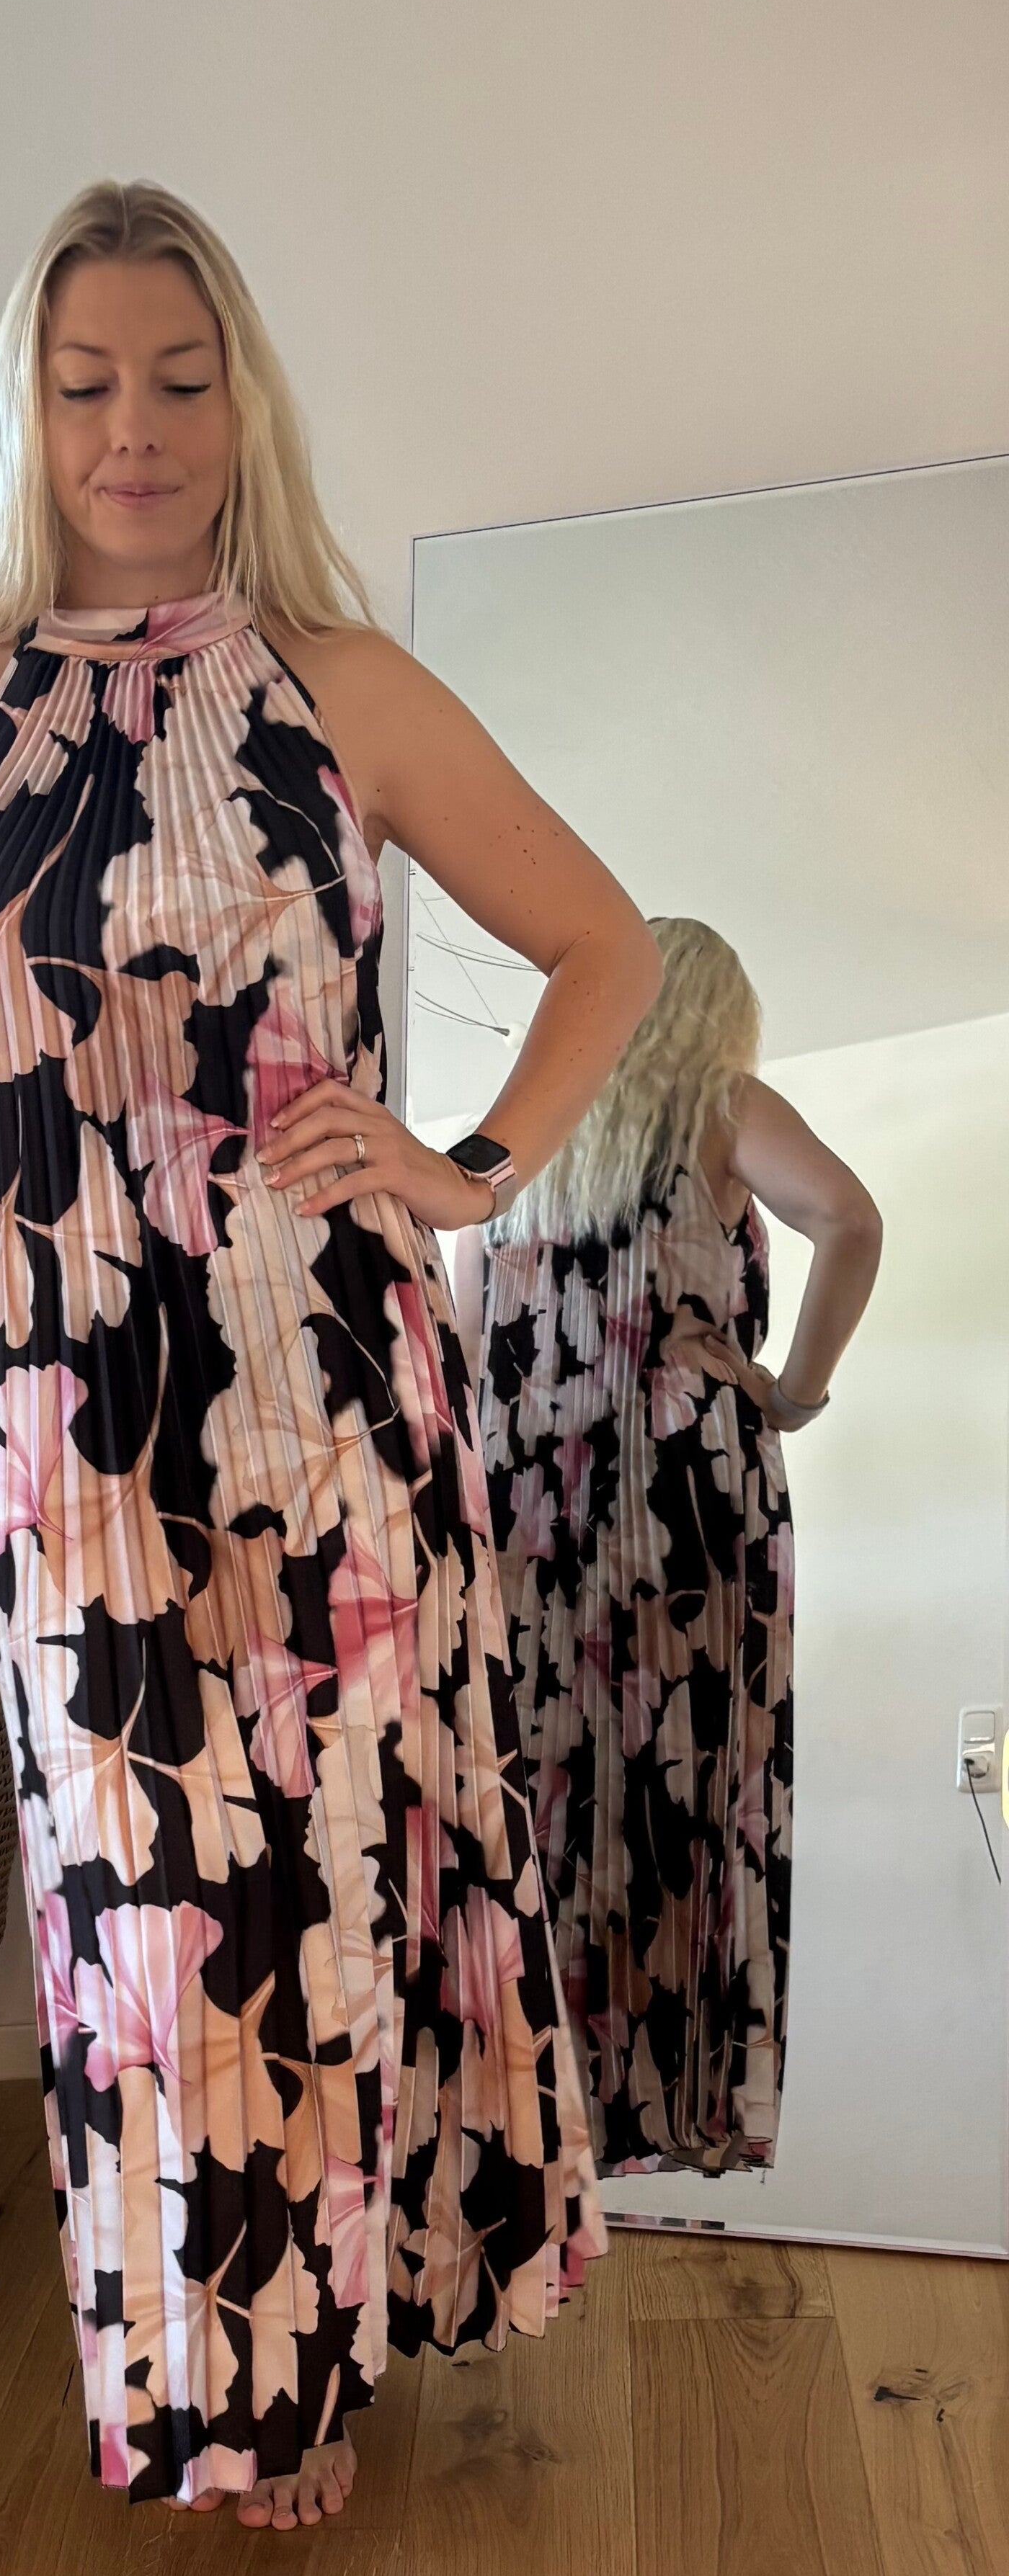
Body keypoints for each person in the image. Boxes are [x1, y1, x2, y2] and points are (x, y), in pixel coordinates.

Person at [0, 178, 659, 2524]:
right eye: (88, 383)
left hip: (332, 1399)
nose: (137, 428)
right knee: (149, 1907)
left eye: (182, 381)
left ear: (243, 404)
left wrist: (464, 1163)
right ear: (27, 413)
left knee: (326, 1873)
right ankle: (225, 2369)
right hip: (69, 1424)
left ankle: (312, 2360)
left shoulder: (341, 684)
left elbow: (607, 942)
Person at [456, 916, 881, 2175]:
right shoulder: (719, 1101)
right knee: (687, 1781)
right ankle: (665, 2092)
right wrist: (791, 1394)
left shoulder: (524, 1135)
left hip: (531, 1506)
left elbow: (465, 1344)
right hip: (688, 1497)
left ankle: (533, 2107)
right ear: (714, 1017)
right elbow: (850, 1220)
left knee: (541, 1781)